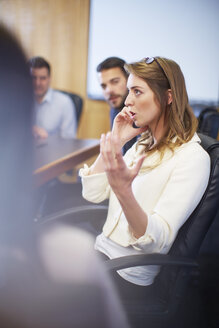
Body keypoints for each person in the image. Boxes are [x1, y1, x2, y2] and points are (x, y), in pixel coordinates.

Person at [0, 24, 129, 328]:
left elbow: (71, 144)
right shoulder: (71, 260)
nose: (110, 91)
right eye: (104, 84)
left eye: (117, 83)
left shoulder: (75, 106)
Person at [80, 56, 210, 300]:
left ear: (168, 97)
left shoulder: (192, 159)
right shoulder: (143, 143)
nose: (128, 101)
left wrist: (123, 191)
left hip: (126, 274)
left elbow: (155, 242)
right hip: (100, 255)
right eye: (129, 91)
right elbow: (92, 194)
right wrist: (117, 141)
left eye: (137, 91)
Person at [28, 56, 77, 139]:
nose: (37, 83)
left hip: (56, 151)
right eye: (34, 78)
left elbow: (70, 141)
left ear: (49, 79)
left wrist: (47, 138)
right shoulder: (17, 101)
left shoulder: (64, 103)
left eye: (42, 78)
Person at [97, 56, 137, 154]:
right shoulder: (115, 109)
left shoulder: (141, 111)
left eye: (115, 82)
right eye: (103, 86)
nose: (109, 90)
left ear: (129, 80)